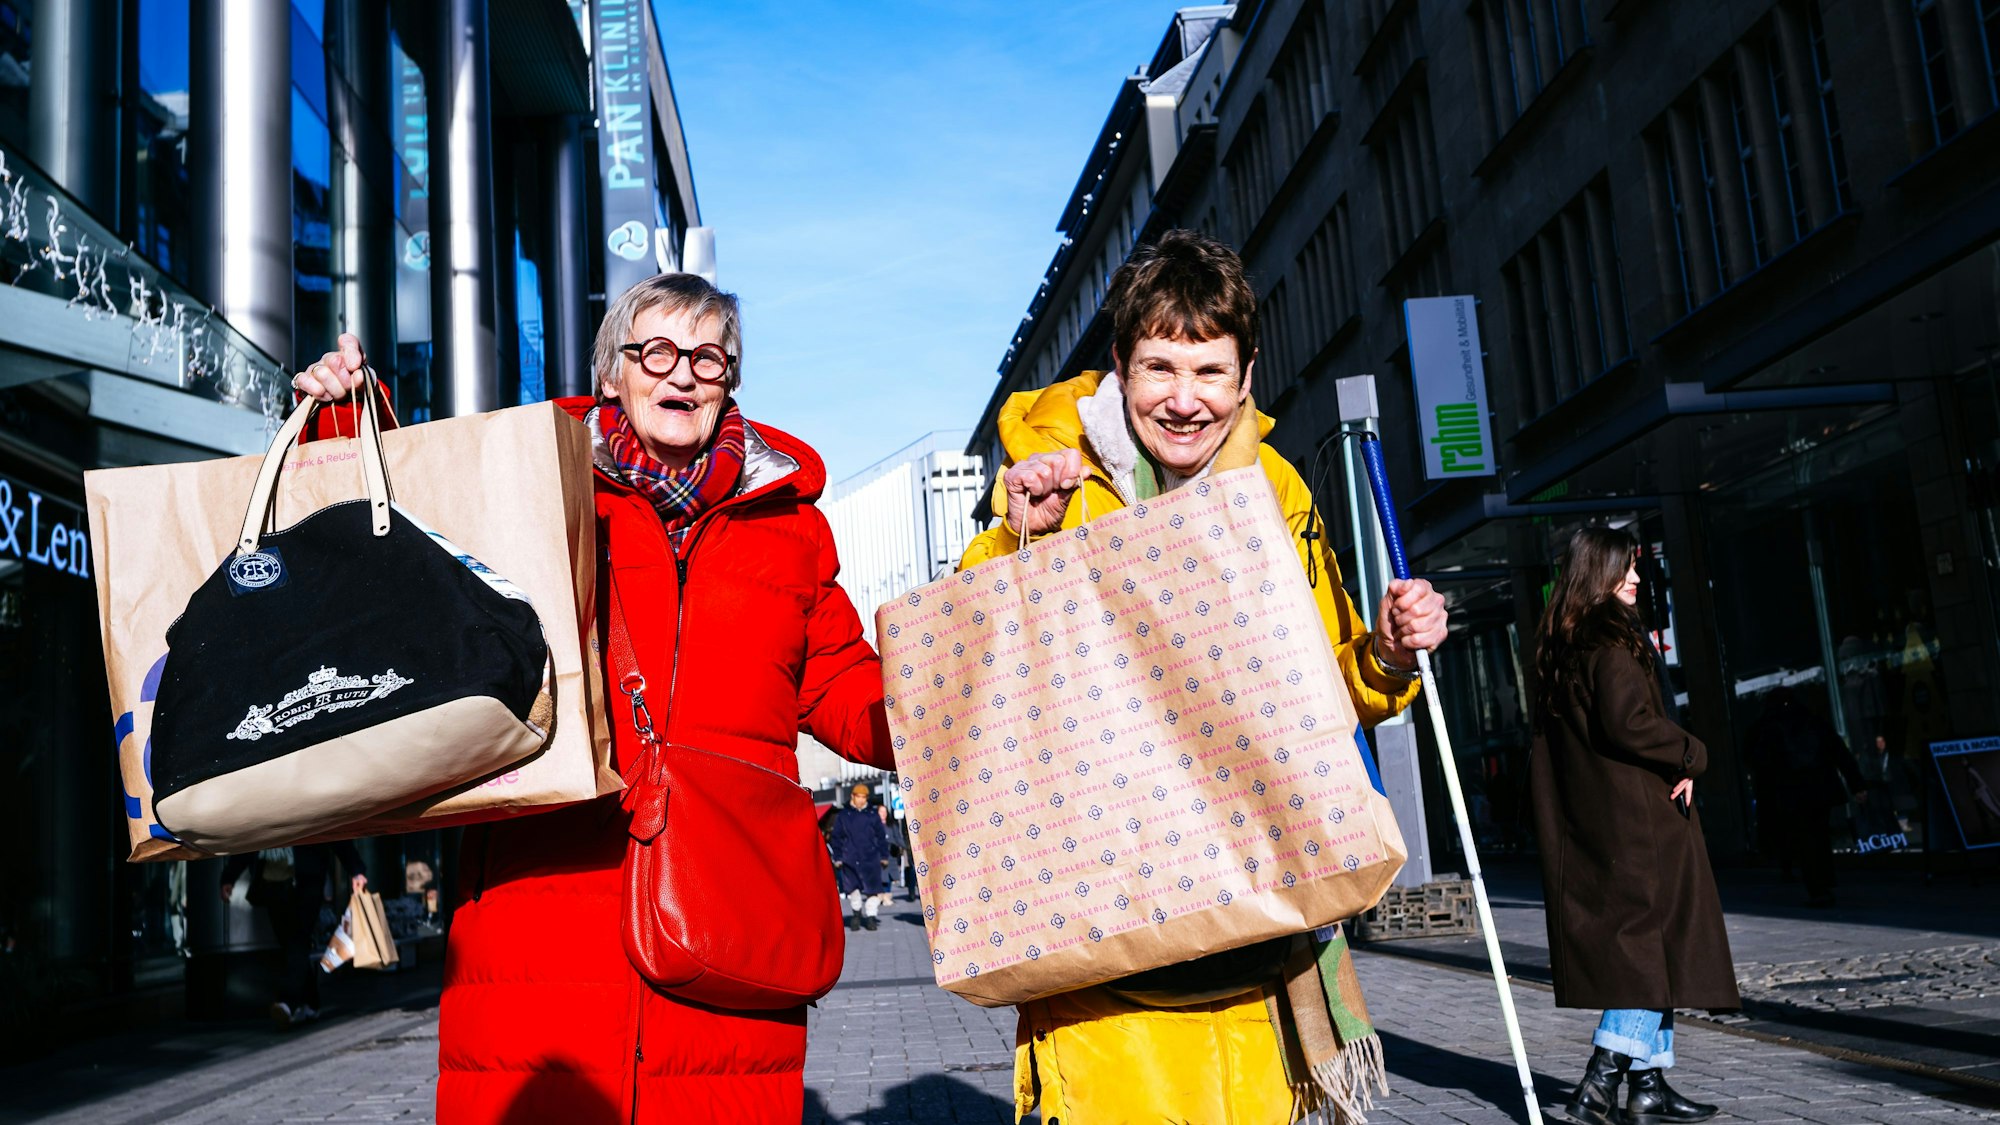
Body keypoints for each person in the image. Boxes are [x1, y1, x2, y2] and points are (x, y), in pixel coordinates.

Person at [293, 272, 894, 1123]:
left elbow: (842, 686)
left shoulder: (789, 528)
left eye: (708, 357)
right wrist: (341, 416)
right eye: (656, 351)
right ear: (612, 370)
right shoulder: (532, 481)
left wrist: (949, 692)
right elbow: (405, 560)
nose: (681, 374)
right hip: (540, 931)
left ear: (731, 381)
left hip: (724, 932)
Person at [960, 229, 1448, 1125]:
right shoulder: (1057, 485)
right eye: (1159, 370)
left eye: (1210, 372)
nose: (1184, 402)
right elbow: (981, 682)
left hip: (1259, 936)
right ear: (1119, 366)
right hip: (1108, 960)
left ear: (1247, 374)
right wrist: (1014, 539)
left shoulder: (1278, 489)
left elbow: (1328, 694)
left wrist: (1387, 651)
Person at [1530, 526, 1737, 1125]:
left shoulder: (1563, 642)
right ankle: (1597, 1088)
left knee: (1651, 951)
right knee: (1645, 957)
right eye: (1626, 570)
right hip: (1639, 824)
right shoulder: (1612, 642)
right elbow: (1630, 722)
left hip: (1602, 822)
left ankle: (1649, 1087)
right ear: (1600, 574)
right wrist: (1691, 753)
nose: (1638, 580)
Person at [219, 842, 367, 1029]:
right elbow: (252, 836)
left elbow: (334, 834)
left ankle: (288, 1002)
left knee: (298, 939)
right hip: (273, 881)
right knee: (290, 943)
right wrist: (229, 877)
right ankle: (311, 1003)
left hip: (307, 880)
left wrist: (356, 870)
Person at [1745, 686, 1868, 907]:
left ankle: (1817, 886)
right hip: (1820, 789)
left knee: (1805, 839)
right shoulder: (1812, 721)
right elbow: (1839, 752)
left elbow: (1759, 761)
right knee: (1819, 834)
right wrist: (1856, 784)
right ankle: (1824, 880)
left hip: (1793, 793)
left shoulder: (1769, 727)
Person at [827, 783, 891, 930]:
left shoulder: (872, 814)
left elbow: (881, 837)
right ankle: (856, 914)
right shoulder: (844, 815)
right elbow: (836, 838)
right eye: (859, 797)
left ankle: (871, 916)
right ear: (852, 796)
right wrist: (838, 857)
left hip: (871, 858)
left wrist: (884, 855)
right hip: (850, 858)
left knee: (873, 890)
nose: (861, 800)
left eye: (864, 797)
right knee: (853, 889)